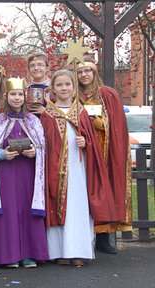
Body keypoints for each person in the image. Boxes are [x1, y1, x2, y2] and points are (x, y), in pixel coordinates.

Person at [41, 70, 118, 266]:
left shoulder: (82, 112)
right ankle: (60, 252)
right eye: (59, 85)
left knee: (77, 208)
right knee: (57, 205)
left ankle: (78, 251)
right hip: (55, 171)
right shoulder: (47, 115)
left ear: (74, 88)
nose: (64, 88)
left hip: (79, 171)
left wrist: (87, 142)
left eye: (67, 84)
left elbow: (93, 139)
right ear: (53, 89)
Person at [0, 77, 48, 268]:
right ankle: (10, 255)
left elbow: (43, 147)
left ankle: (30, 254)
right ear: (6, 96)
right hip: (6, 172)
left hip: (28, 173)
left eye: (20, 94)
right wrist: (1, 154)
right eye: (13, 94)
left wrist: (35, 152)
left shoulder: (33, 121)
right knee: (9, 212)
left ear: (25, 96)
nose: (16, 98)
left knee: (26, 210)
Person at [77, 58, 132, 254]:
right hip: (81, 151)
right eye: (80, 72)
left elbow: (116, 123)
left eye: (87, 71)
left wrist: (99, 124)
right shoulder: (76, 95)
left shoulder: (106, 93)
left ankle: (102, 239)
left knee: (102, 192)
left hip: (103, 151)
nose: (84, 75)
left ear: (94, 73)